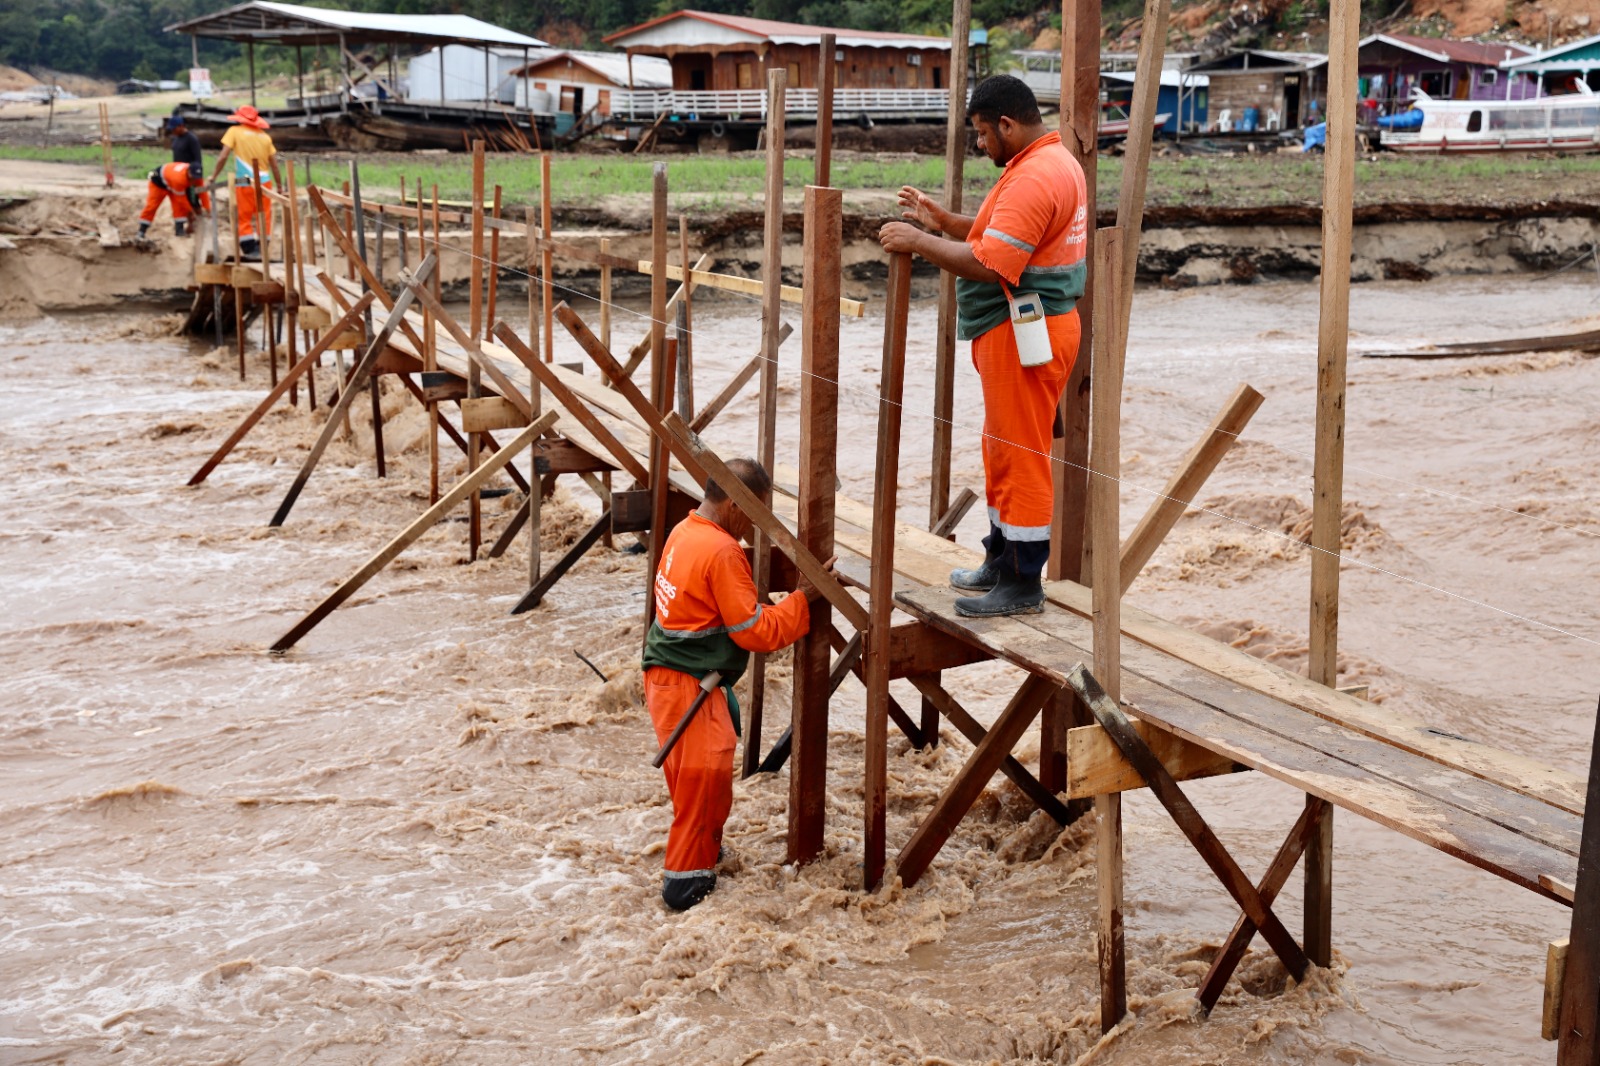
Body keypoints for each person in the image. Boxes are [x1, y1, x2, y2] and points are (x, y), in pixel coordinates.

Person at [878, 74, 1088, 617]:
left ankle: (1021, 583)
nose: (979, 145)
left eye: (981, 134)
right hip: (1024, 328)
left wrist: (921, 241)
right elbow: (1002, 234)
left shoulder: (1035, 176)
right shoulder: (1045, 162)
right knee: (1002, 445)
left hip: (1026, 330)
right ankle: (1000, 559)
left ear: (1006, 125)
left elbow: (992, 261)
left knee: (1021, 453)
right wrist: (945, 222)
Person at [642, 458, 835, 911]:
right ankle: (684, 886)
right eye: (754, 513)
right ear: (733, 504)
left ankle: (704, 856)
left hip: (666, 682)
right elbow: (755, 632)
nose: (754, 527)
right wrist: (802, 601)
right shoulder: (723, 551)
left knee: (690, 788)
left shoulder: (684, 531)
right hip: (693, 687)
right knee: (703, 786)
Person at [207, 105, 281, 261]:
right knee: (264, 215)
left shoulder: (235, 132)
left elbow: (223, 156)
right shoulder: (264, 137)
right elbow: (274, 164)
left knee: (244, 215)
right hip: (265, 182)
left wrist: (213, 176)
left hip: (244, 180)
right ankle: (262, 248)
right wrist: (279, 186)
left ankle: (248, 248)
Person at [137, 161, 210, 241]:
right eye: (192, 177)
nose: (194, 180)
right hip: (158, 181)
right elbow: (181, 200)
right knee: (152, 205)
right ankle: (141, 230)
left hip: (171, 180)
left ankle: (179, 231)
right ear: (188, 171)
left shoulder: (197, 177)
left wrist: (207, 208)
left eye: (196, 178)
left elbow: (203, 193)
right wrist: (191, 212)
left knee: (179, 208)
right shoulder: (179, 179)